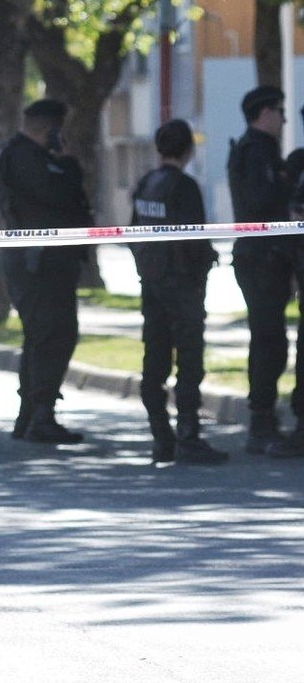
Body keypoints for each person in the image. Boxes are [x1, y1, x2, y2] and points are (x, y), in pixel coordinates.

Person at [0, 97, 94, 444]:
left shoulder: (25, 156)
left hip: (45, 260)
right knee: (52, 336)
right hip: (39, 262)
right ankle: (40, 415)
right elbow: (61, 196)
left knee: (45, 337)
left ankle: (33, 415)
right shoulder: (26, 159)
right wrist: (68, 164)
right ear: (51, 129)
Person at [129, 120, 226, 465]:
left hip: (152, 283)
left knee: (154, 360)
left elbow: (131, 233)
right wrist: (203, 267)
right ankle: (188, 435)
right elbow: (194, 237)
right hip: (182, 285)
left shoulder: (145, 184)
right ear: (189, 149)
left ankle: (161, 436)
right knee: (188, 361)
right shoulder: (184, 187)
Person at [226, 85, 303, 457]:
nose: (284, 119)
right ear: (264, 113)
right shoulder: (257, 151)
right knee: (269, 341)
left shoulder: (257, 149)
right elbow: (260, 202)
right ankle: (261, 422)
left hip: (264, 256)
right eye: (279, 110)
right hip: (261, 257)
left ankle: (264, 419)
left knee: (270, 340)